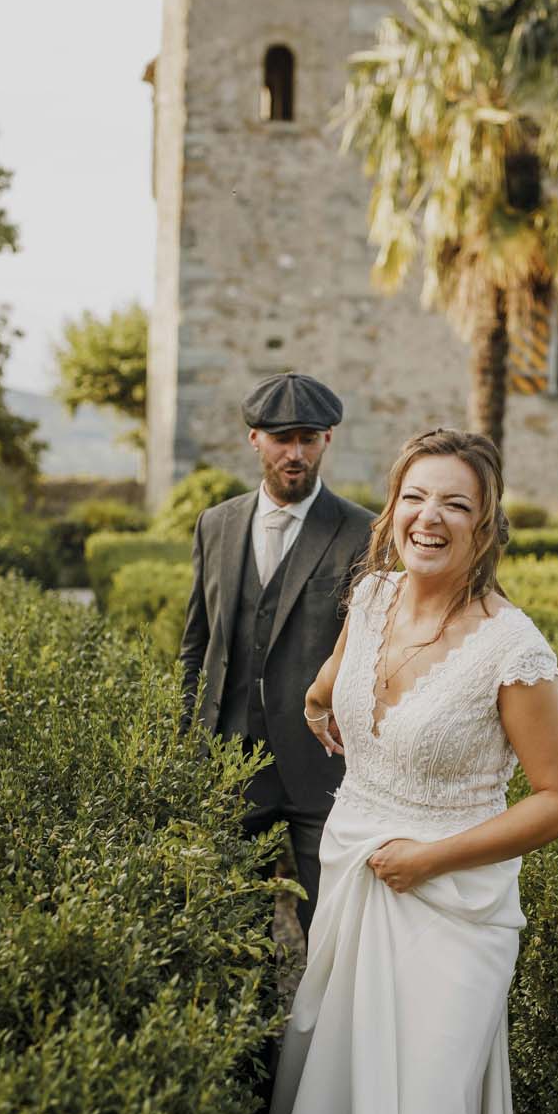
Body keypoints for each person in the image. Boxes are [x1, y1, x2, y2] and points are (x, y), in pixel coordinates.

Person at [242, 428, 558, 1114]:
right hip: (357, 865)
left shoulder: (510, 647)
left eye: (455, 505)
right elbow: (334, 681)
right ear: (392, 507)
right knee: (338, 1090)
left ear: (485, 527)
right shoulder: (373, 595)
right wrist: (324, 697)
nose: (429, 519)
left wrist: (432, 857)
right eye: (415, 498)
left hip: (451, 902)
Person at [179, 372, 375, 938]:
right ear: (255, 439)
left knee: (333, 924)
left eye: (308, 439)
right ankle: (254, 1029)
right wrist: (189, 742)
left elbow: (372, 657)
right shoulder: (215, 525)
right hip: (231, 763)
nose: (295, 453)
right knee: (232, 923)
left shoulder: (362, 531)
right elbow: (196, 644)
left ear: (327, 441)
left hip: (325, 768)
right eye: (282, 438)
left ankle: (325, 1030)